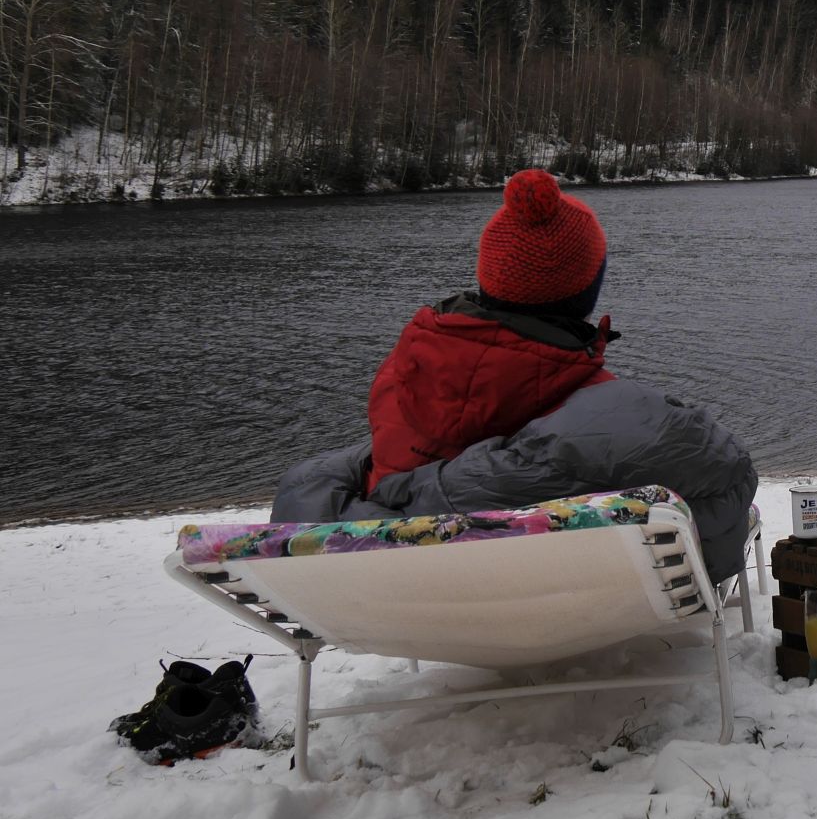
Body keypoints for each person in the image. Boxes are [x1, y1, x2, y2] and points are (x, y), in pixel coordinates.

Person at [272, 169, 757, 582]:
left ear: (488, 280)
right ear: (586, 292)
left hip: (404, 588)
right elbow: (731, 480)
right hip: (552, 593)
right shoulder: (611, 420)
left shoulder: (403, 374)